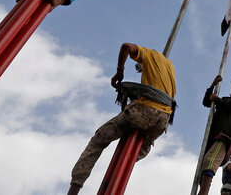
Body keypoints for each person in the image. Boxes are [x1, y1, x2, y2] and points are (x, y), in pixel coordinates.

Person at [66, 43, 175, 195]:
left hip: (145, 111)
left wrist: (120, 72)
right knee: (139, 148)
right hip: (162, 120)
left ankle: (75, 187)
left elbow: (126, 47)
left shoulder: (149, 54)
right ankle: (117, 177)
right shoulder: (169, 66)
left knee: (99, 139)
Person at [197, 75, 231, 195]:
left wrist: (217, 100)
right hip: (213, 135)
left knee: (210, 161)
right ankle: (202, 190)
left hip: (225, 135)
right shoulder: (224, 99)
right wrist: (212, 85)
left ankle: (203, 193)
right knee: (204, 164)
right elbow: (206, 102)